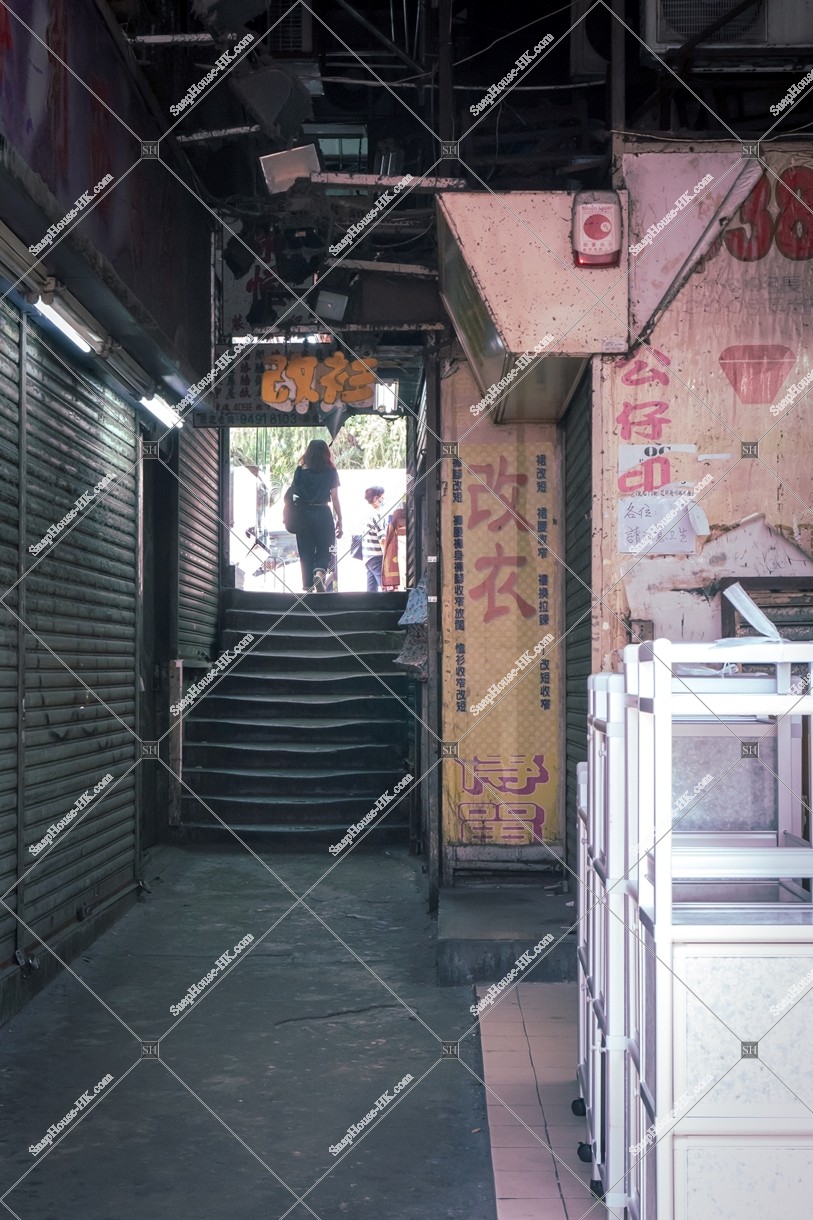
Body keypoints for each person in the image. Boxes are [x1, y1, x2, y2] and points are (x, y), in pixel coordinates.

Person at [290, 438, 342, 592]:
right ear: (326, 453)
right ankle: (319, 573)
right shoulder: (331, 472)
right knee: (326, 547)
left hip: (303, 515)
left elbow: (294, 492)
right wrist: (340, 518)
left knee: (305, 549)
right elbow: (335, 497)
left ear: (309, 453)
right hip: (323, 513)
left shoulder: (300, 471)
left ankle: (307, 585)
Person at [362, 486, 387, 592]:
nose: (384, 500)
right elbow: (382, 540)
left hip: (368, 558)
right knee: (386, 587)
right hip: (377, 557)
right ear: (376, 498)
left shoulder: (367, 514)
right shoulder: (378, 515)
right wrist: (387, 558)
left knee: (371, 592)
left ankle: (368, 608)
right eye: (383, 497)